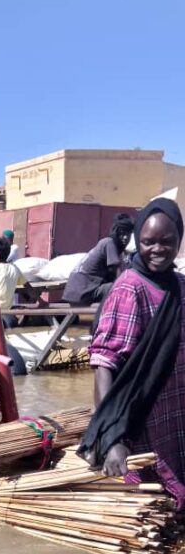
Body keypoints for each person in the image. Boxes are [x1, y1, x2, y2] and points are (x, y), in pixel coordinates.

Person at [78, 198, 185, 506]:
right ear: (138, 240)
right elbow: (104, 363)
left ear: (179, 239)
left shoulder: (180, 286)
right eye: (148, 242)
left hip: (176, 414)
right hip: (145, 420)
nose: (158, 249)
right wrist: (111, 437)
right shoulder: (129, 288)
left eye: (167, 241)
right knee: (153, 505)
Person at [63, 214, 134, 306]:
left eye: (128, 234)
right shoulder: (109, 243)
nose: (125, 237)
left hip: (73, 294)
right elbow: (117, 273)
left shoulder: (105, 244)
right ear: (115, 233)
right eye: (122, 233)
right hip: (83, 293)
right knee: (123, 288)